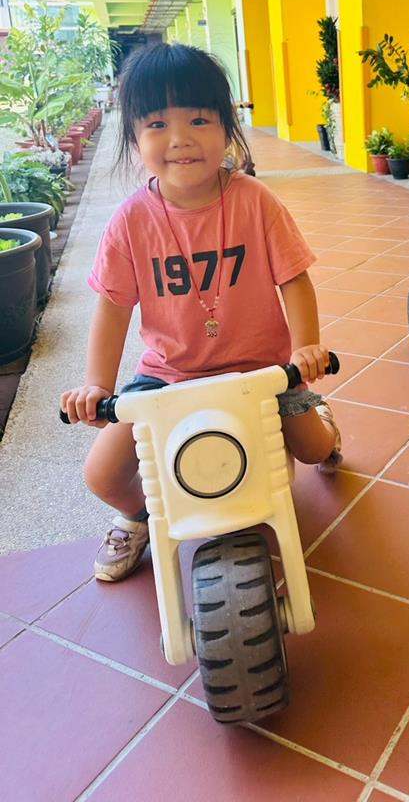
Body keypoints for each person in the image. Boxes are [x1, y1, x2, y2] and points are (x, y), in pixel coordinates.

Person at [60, 43, 341, 581]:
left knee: (315, 450)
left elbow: (294, 278)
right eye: (157, 124)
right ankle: (140, 516)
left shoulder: (255, 201)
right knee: (102, 475)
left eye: (198, 120)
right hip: (167, 377)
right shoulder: (129, 222)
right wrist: (97, 385)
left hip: (262, 370)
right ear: (134, 137)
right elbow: (113, 309)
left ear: (227, 128)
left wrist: (306, 348)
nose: (180, 138)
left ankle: (322, 415)